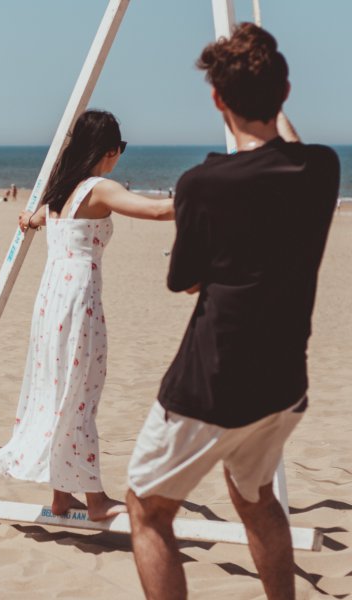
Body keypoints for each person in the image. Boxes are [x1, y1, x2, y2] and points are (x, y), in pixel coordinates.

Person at [125, 24, 340, 600]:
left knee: (146, 510)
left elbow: (185, 281)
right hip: (283, 384)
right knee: (255, 497)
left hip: (212, 384)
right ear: (286, 91)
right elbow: (288, 150)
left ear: (217, 100)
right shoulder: (322, 170)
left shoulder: (200, 184)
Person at [0, 110, 174, 521]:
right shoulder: (97, 188)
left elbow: (32, 219)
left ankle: (62, 496)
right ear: (108, 149)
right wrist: (219, 195)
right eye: (120, 149)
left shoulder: (59, 192)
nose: (119, 156)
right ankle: (95, 500)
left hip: (51, 297)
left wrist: (29, 218)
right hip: (77, 298)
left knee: (60, 392)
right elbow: (157, 212)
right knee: (80, 394)